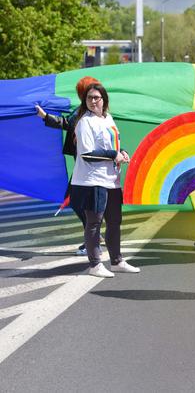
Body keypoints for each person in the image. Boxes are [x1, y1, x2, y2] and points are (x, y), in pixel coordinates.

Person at [69, 84, 139, 277]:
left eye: (96, 97)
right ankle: (95, 265)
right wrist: (112, 154)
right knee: (94, 223)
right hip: (92, 181)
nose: (93, 101)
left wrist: (122, 151)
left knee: (115, 221)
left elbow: (111, 143)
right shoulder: (85, 122)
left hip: (111, 180)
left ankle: (116, 261)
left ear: (104, 100)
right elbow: (87, 154)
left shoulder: (108, 118)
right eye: (89, 98)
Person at [35, 76, 101, 256]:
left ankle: (93, 240)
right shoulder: (81, 111)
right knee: (77, 201)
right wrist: (45, 116)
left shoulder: (94, 113)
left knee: (79, 201)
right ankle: (94, 238)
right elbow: (67, 124)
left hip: (90, 165)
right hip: (83, 164)